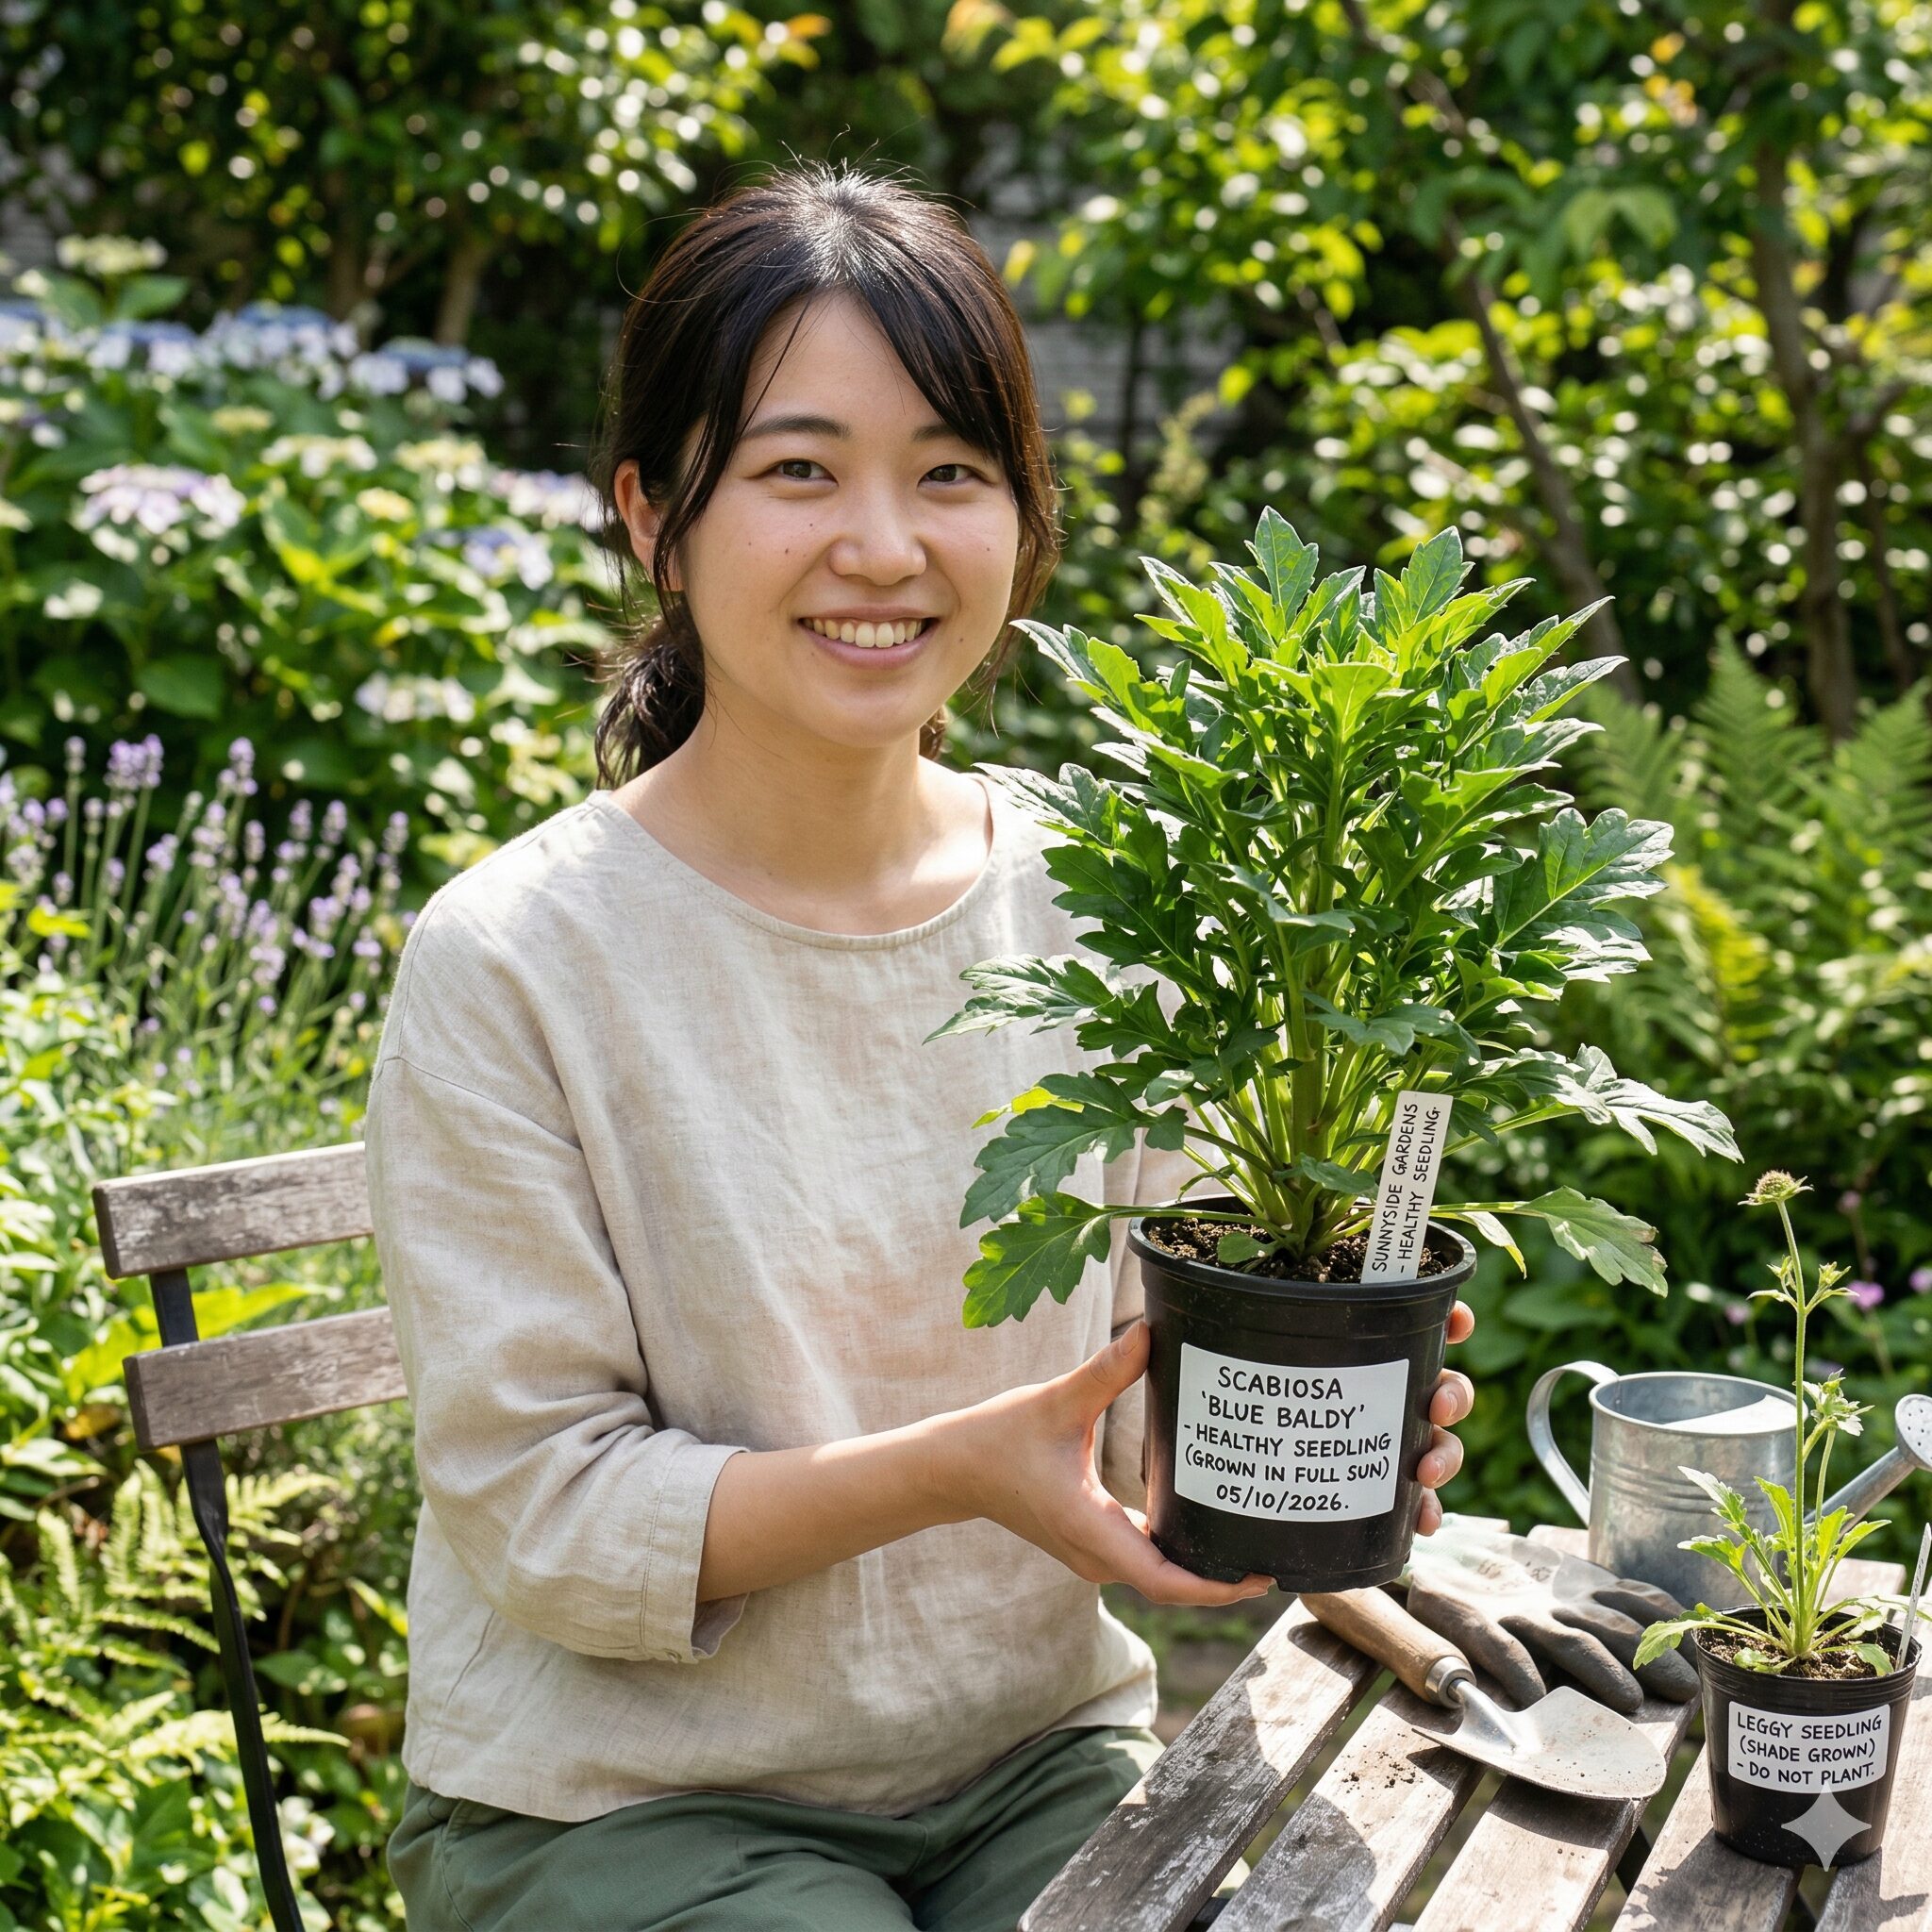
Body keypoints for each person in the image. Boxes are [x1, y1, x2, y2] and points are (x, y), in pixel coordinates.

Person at [365, 157, 1475, 1932]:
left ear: (1022, 522)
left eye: (948, 474)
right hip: (621, 1808)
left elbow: (1133, 1376)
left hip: (1030, 1761)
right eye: (799, 469)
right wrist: (961, 1470)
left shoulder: (1103, 898)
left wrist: (1295, 1459)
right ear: (655, 513)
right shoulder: (517, 959)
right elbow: (545, 1517)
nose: (884, 548)